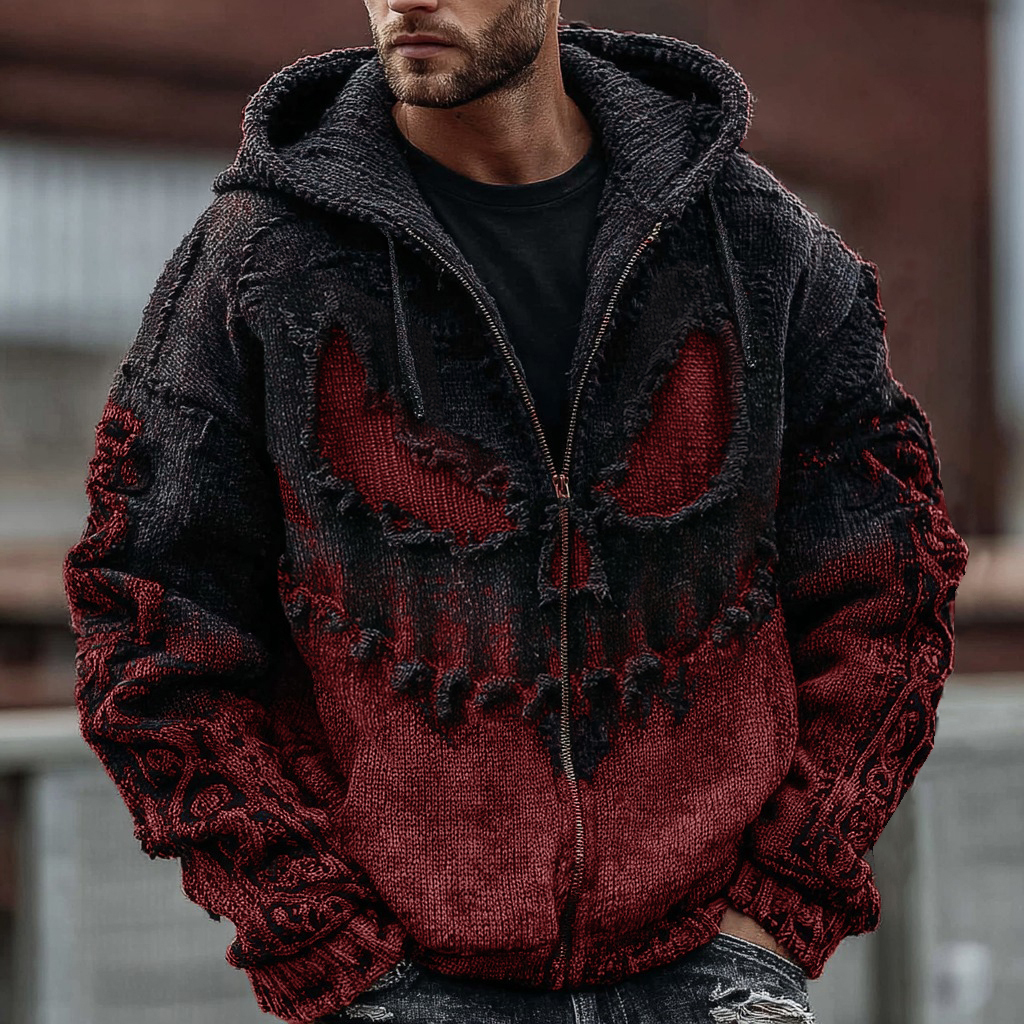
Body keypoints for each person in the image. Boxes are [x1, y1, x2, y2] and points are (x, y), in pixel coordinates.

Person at [62, 1, 969, 1022]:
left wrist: (774, 912)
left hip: (713, 970)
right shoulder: (256, 264)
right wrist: (322, 941)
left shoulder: (758, 245)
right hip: (406, 984)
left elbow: (893, 583)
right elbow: (146, 614)